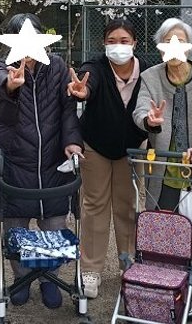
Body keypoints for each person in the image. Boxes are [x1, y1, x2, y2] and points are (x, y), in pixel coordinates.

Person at [0, 13, 83, 310]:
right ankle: (21, 278)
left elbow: (67, 109)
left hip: (52, 160)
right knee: (15, 226)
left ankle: (50, 278)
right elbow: (1, 84)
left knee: (55, 224)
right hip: (14, 159)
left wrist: (72, 142)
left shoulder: (57, 66)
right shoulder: (5, 66)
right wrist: (12, 85)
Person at [132, 18, 192, 304]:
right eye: (168, 42)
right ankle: (164, 296)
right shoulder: (150, 77)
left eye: (180, 41)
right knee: (163, 236)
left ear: (190, 46)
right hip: (164, 172)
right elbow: (140, 111)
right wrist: (150, 121)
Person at [67, 18, 148, 299]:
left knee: (129, 207)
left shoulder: (146, 72)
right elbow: (88, 82)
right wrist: (83, 91)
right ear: (103, 44)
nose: (118, 46)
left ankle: (129, 263)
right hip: (96, 146)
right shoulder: (96, 68)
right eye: (112, 41)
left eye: (124, 41)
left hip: (132, 149)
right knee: (94, 206)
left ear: (135, 43)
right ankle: (90, 269)